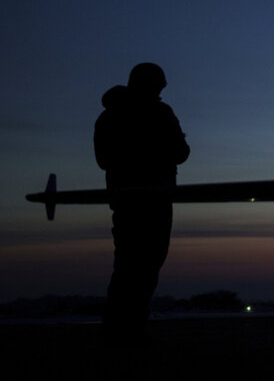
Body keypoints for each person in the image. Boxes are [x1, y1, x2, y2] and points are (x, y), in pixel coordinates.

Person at [94, 63, 190, 343]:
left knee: (129, 265)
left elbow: (103, 159)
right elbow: (181, 152)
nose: (161, 91)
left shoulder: (108, 116)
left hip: (126, 201)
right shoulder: (160, 113)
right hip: (153, 200)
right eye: (158, 86)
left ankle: (121, 327)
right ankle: (125, 330)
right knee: (143, 266)